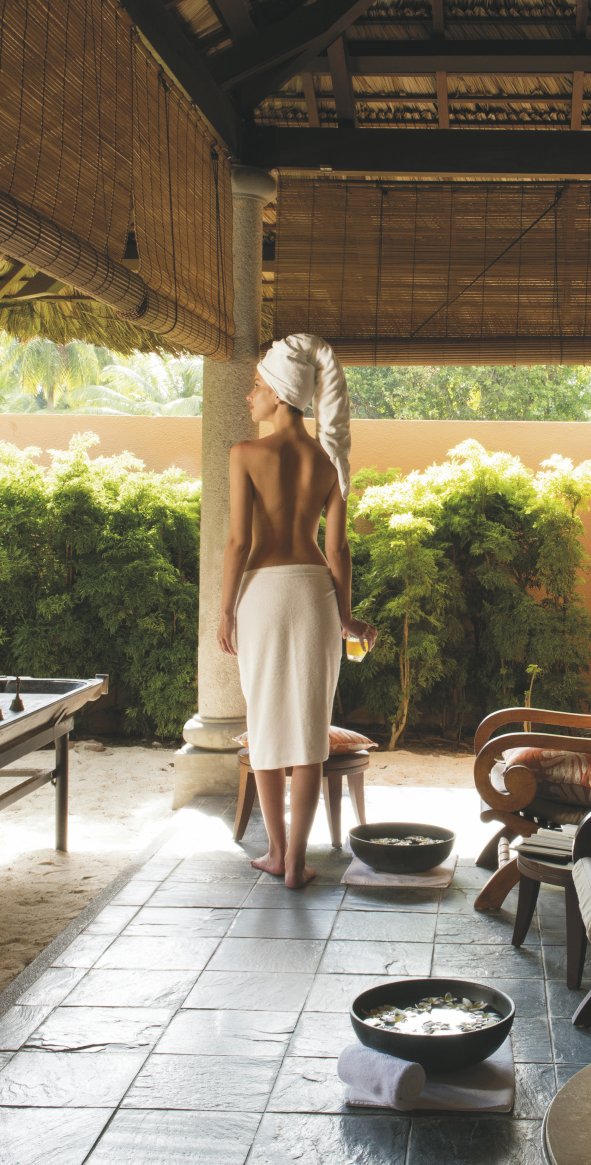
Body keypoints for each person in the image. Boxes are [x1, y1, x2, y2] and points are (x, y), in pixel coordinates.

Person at [217, 333, 376, 888]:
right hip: (314, 596)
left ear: (281, 395)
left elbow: (239, 542)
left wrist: (225, 612)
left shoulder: (245, 454)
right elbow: (338, 549)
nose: (250, 396)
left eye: (257, 386)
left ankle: (277, 852)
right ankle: (296, 864)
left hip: (261, 594)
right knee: (310, 732)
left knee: (264, 725)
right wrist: (346, 616)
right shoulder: (329, 460)